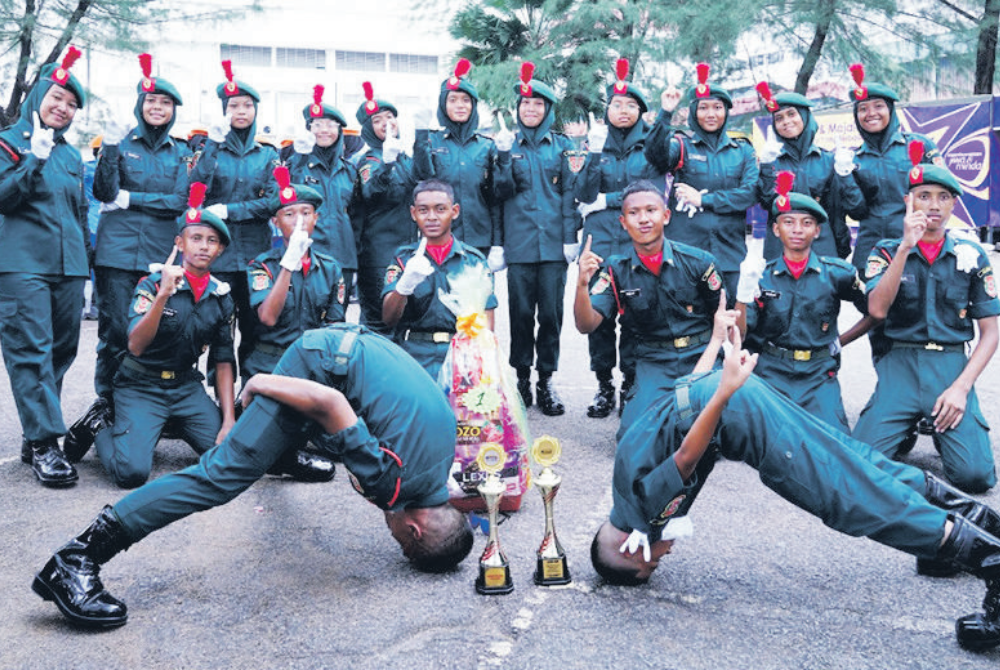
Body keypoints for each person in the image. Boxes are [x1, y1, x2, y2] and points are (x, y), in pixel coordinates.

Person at [589, 309, 1000, 653]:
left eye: (654, 561)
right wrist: (717, 348)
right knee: (852, 462)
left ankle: (988, 559)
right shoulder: (622, 476)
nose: (665, 555)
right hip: (733, 394)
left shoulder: (641, 512)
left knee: (847, 496)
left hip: (736, 406)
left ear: (631, 551)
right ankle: (973, 523)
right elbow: (680, 396)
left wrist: (723, 392)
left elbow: (686, 455)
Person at [32, 323, 475, 629]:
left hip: (348, 349)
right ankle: (77, 559)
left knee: (317, 445)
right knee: (219, 478)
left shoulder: (440, 466)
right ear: (415, 529)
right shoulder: (392, 485)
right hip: (320, 367)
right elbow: (332, 406)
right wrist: (261, 383)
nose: (392, 533)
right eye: (400, 541)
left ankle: (276, 447)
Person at [61, 183, 236, 488]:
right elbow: (136, 344)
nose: (204, 246)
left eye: (212, 241)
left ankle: (164, 423)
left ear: (220, 249)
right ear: (180, 244)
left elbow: (222, 361)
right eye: (196, 238)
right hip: (141, 384)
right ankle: (101, 423)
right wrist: (163, 297)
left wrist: (229, 421)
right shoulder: (152, 284)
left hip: (184, 387)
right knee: (131, 474)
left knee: (226, 456)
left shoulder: (220, 296)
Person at [66, 54, 191, 454]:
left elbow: (178, 201)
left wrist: (130, 198)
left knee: (157, 333)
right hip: (117, 253)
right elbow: (105, 192)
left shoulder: (181, 152)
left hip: (160, 255)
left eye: (166, 103)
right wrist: (110, 150)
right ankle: (110, 404)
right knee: (115, 333)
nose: (158, 108)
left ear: (173, 111)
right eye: (152, 101)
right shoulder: (121, 142)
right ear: (140, 105)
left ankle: (150, 406)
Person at [852, 154, 998, 494]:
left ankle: (949, 427)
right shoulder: (886, 251)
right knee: (858, 466)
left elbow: (991, 333)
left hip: (949, 366)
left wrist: (961, 388)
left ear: (953, 205)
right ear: (908, 201)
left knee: (975, 477)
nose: (933, 205)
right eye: (923, 196)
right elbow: (876, 309)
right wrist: (905, 246)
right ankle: (905, 427)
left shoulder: (970, 254)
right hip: (899, 363)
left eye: (943, 197)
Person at [0, 47, 88, 487]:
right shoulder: (7, 142)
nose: (63, 108)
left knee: (60, 351)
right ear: (39, 95)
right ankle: (44, 444)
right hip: (22, 264)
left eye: (71, 104)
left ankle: (36, 432)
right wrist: (32, 160)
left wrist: (84, 266)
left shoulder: (71, 156)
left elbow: (81, 210)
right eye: (57, 97)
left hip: (69, 266)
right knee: (30, 352)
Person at [574, 180, 722, 424]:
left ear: (666, 216)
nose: (643, 219)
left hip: (698, 358)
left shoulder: (700, 263)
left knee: (704, 434)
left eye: (651, 211)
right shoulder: (615, 269)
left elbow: (726, 321)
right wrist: (581, 286)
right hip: (652, 362)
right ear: (623, 223)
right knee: (635, 438)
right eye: (633, 213)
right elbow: (586, 325)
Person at [735, 173, 873, 434]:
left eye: (806, 223)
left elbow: (875, 311)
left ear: (817, 231)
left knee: (836, 444)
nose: (797, 229)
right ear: (776, 229)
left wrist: (841, 340)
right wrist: (743, 295)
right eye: (788, 222)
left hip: (818, 374)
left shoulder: (838, 273)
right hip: (771, 371)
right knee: (762, 442)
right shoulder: (760, 277)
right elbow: (741, 333)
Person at [575, 58, 666, 418]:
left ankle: (631, 382)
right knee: (598, 315)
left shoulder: (652, 148)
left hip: (637, 242)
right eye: (616, 104)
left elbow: (651, 191)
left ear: (642, 112)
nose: (623, 110)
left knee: (635, 314)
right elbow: (583, 193)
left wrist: (608, 200)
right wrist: (593, 154)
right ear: (607, 111)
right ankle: (603, 385)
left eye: (631, 105)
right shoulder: (596, 144)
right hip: (600, 241)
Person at [493, 62, 583, 415]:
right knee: (519, 315)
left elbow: (569, 197)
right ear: (517, 110)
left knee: (550, 315)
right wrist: (501, 158)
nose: (530, 110)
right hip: (519, 246)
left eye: (537, 105)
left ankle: (546, 381)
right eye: (524, 105)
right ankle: (521, 381)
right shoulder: (504, 145)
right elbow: (498, 197)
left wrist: (569, 237)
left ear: (547, 110)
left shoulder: (561, 148)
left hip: (553, 249)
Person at [243, 166, 344, 482]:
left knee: (340, 445)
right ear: (276, 222)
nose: (299, 221)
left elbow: (334, 327)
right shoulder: (261, 266)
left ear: (316, 219)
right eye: (289, 214)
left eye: (306, 213)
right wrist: (287, 266)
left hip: (311, 365)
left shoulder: (329, 268)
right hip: (270, 365)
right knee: (269, 432)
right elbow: (268, 317)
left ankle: (291, 439)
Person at [189, 59, 278, 376]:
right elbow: (195, 187)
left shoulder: (268, 154)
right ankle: (218, 398)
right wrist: (212, 145)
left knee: (255, 328)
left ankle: (252, 394)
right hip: (219, 256)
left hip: (256, 255)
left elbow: (273, 201)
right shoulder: (210, 148)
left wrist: (230, 210)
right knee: (218, 328)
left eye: (246, 105)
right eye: (233, 106)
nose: (240, 111)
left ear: (255, 110)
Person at [643, 63, 759, 299]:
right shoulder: (681, 145)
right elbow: (655, 155)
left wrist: (703, 199)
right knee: (690, 320)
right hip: (686, 253)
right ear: (694, 112)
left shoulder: (743, 150)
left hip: (730, 254)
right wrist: (665, 114)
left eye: (717, 107)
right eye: (703, 108)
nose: (711, 114)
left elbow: (749, 194)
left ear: (727, 112)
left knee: (733, 320)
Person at [382, 180, 496, 380]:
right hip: (413, 354)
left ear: (455, 211)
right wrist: (404, 287)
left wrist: (480, 363)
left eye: (440, 209)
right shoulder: (403, 258)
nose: (432, 217)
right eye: (423, 210)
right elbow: (388, 318)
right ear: (413, 213)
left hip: (460, 353)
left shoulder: (473, 260)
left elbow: (486, 319)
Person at [840, 64, 941, 275]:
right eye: (862, 109)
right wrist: (844, 175)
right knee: (872, 306)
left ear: (890, 110)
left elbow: (944, 193)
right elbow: (857, 211)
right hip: (871, 249)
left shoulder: (920, 146)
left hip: (916, 243)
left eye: (878, 106)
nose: (871, 114)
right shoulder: (855, 159)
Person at [754, 82, 864, 261]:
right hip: (781, 249)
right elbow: (767, 202)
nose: (786, 122)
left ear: (805, 117)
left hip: (821, 245)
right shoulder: (771, 160)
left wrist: (841, 247)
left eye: (791, 114)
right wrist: (766, 166)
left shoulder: (827, 160)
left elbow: (839, 210)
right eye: (779, 118)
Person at [412, 59, 499, 256]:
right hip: (440, 238)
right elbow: (422, 178)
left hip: (479, 239)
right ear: (443, 105)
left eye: (465, 100)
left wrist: (497, 243)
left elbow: (495, 198)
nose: (460, 105)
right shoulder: (431, 141)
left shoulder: (487, 146)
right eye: (452, 100)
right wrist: (420, 136)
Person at [286, 85, 361, 310]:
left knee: (338, 315)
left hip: (343, 256)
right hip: (309, 253)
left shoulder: (349, 170)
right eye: (317, 125)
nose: (324, 130)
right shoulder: (296, 165)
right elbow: (288, 198)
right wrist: (298, 157)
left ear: (339, 130)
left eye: (330, 125)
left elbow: (358, 214)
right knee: (306, 314)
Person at [355, 82, 418, 334]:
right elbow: (372, 190)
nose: (385, 124)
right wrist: (387, 164)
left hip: (407, 250)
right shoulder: (369, 159)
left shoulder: (404, 158)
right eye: (377, 120)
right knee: (379, 320)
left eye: (390, 117)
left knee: (405, 318)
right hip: (378, 255)